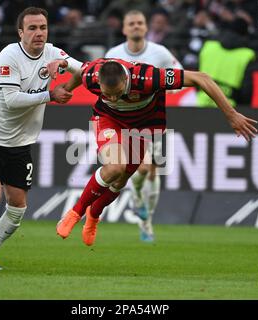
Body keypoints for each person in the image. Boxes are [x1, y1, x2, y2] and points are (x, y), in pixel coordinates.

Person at [49, 57, 258, 247]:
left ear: (126, 80)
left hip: (145, 126)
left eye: (117, 93)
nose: (112, 98)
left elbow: (201, 78)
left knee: (121, 179)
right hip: (109, 120)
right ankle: (75, 213)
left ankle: (94, 213)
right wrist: (67, 88)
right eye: (107, 94)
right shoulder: (92, 75)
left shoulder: (149, 77)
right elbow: (79, 73)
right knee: (115, 167)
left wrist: (231, 115)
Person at [0, 7, 82, 270]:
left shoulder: (52, 52)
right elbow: (12, 101)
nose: (39, 33)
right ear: (20, 32)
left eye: (43, 28)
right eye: (32, 28)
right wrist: (51, 95)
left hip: (22, 142)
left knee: (17, 207)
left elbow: (83, 71)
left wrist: (63, 65)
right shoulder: (9, 55)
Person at [105, 10, 183, 243]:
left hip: (152, 120)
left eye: (140, 23)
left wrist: (162, 87)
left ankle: (144, 217)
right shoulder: (113, 54)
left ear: (146, 27)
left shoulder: (160, 53)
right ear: (124, 29)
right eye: (132, 23)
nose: (136, 26)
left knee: (151, 171)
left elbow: (178, 78)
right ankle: (140, 205)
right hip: (125, 120)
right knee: (142, 167)